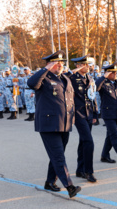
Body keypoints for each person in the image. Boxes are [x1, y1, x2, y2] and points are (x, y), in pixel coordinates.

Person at [27, 50, 81, 198]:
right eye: (56, 63)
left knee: (57, 155)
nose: (60, 65)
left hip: (65, 123)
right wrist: (46, 69)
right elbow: (31, 83)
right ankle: (69, 186)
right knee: (58, 156)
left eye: (62, 62)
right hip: (49, 124)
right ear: (49, 64)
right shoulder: (43, 78)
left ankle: (50, 182)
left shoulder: (64, 78)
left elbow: (70, 100)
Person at [69, 55, 97, 183]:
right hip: (78, 114)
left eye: (88, 64)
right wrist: (72, 72)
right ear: (78, 65)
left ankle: (80, 169)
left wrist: (95, 113)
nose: (87, 66)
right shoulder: (72, 78)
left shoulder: (90, 78)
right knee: (89, 141)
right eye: (84, 64)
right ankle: (88, 171)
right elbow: (62, 78)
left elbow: (92, 96)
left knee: (83, 141)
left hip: (88, 113)